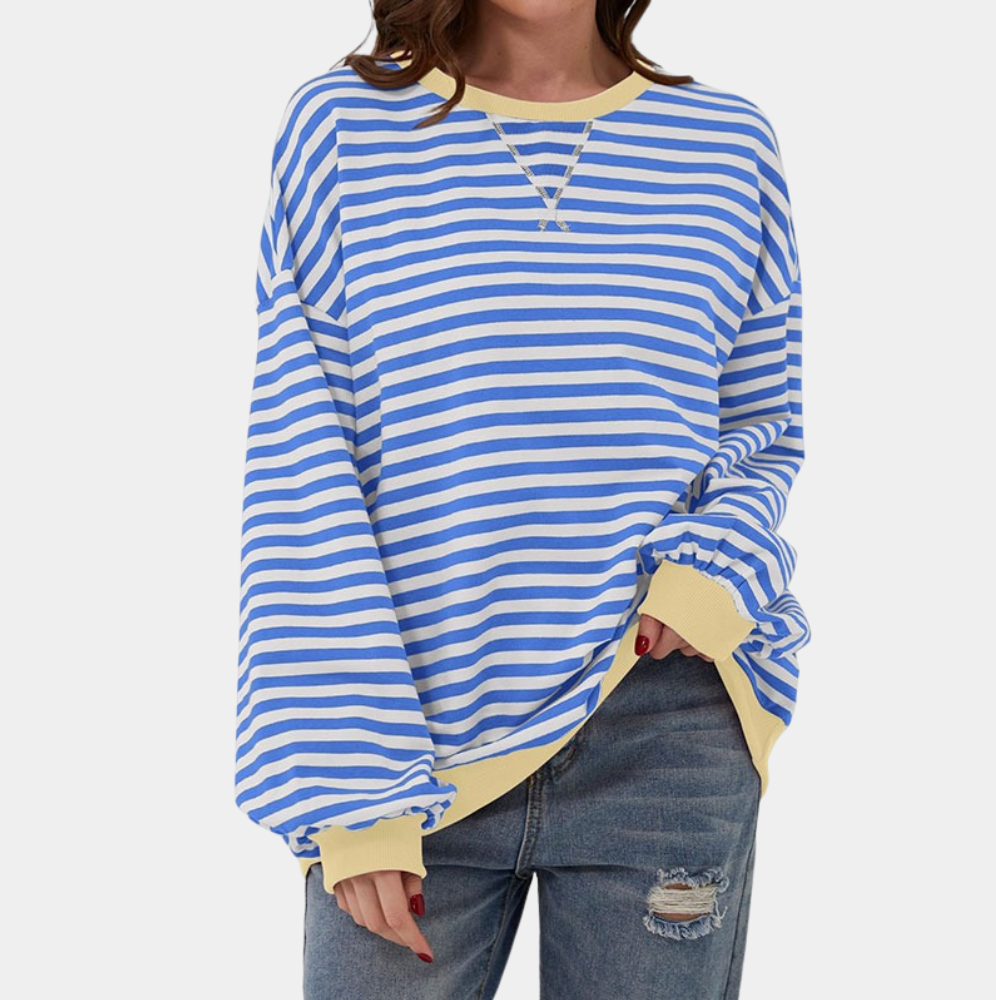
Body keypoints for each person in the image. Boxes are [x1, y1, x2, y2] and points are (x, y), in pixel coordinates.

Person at [235, 2, 810, 996]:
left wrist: (709, 572)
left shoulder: (727, 145)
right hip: (410, 735)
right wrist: (351, 785)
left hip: (661, 714)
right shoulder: (343, 128)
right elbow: (302, 453)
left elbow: (762, 426)